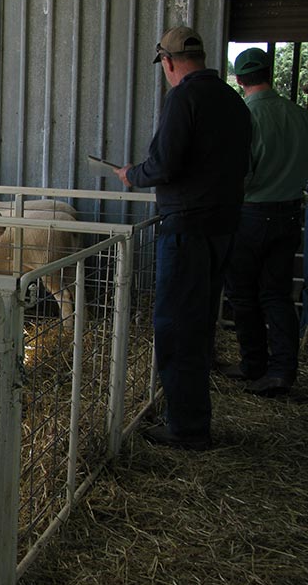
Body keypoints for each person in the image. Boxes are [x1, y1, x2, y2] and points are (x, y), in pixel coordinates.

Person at [115, 26, 251, 451]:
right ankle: (187, 411)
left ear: (168, 63)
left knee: (176, 325)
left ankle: (187, 427)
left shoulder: (184, 98)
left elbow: (165, 163)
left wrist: (133, 175)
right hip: (224, 225)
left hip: (188, 229)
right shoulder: (233, 100)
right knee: (200, 320)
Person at [220, 47, 308, 397]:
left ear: (239, 80)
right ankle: (283, 371)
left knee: (243, 294)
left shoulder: (245, 117)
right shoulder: (299, 115)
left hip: (252, 214)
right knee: (278, 295)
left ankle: (252, 364)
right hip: (290, 214)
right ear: (270, 73)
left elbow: (243, 174)